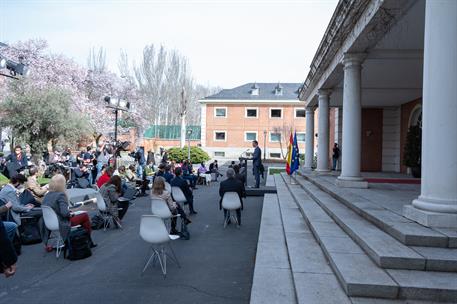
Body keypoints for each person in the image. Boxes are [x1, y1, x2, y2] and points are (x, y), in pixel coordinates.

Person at [42, 174, 96, 250]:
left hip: (49, 224)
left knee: (81, 216)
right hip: (61, 222)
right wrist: (70, 214)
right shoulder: (61, 195)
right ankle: (86, 241)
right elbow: (64, 213)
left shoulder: (47, 195)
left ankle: (81, 240)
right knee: (84, 215)